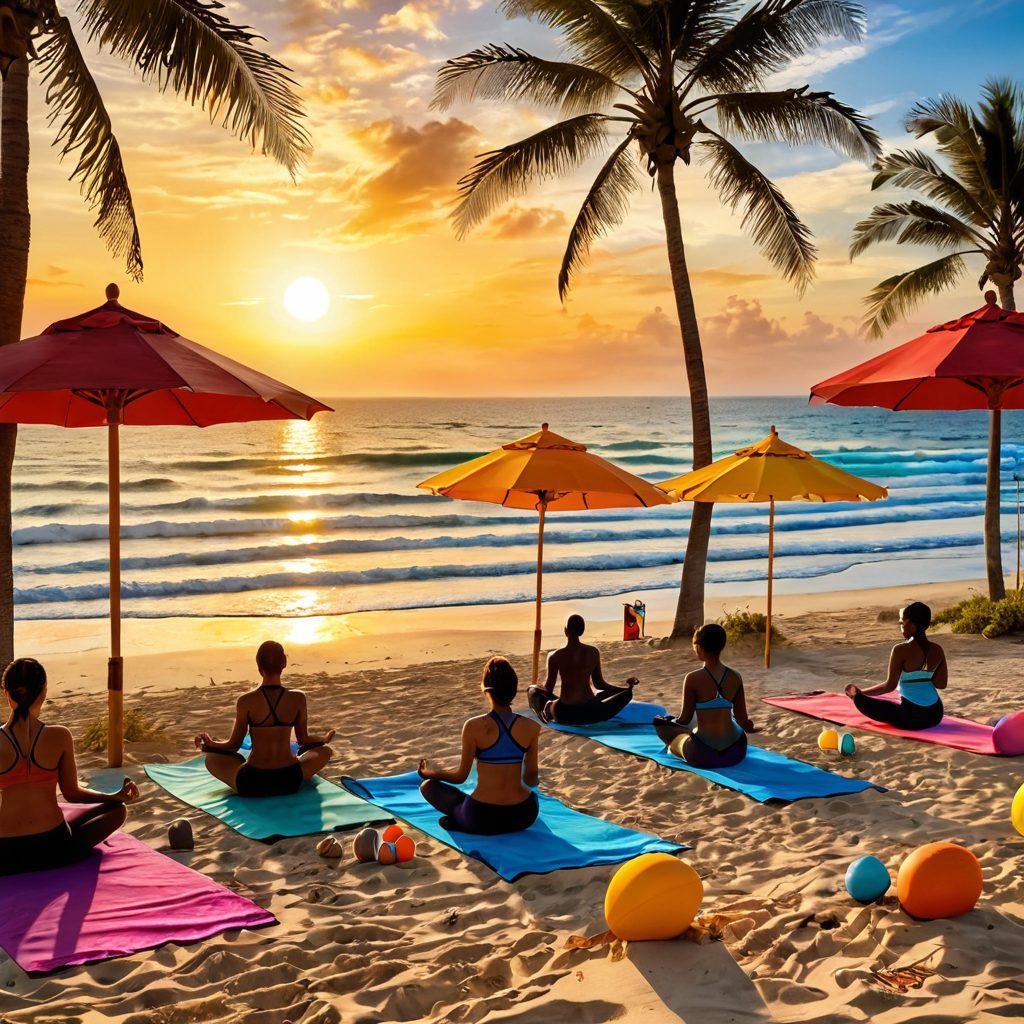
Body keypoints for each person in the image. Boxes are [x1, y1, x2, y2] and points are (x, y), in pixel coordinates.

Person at [0, 658, 139, 876]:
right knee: (117, 810)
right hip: (55, 846)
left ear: (6, 693)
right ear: (44, 693)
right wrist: (115, 797)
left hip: (6, 854)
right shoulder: (59, 736)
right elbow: (72, 794)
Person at [195, 641, 334, 797]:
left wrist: (211, 744)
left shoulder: (245, 701)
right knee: (325, 751)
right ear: (284, 663)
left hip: (252, 782)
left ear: (258, 666)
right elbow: (303, 740)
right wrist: (323, 739)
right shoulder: (298, 698)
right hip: (289, 780)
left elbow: (233, 746)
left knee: (211, 759)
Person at [419, 656, 540, 835]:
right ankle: (463, 818)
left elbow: (460, 777)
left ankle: (460, 820)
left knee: (428, 786)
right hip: (523, 814)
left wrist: (431, 773)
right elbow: (531, 778)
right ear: (514, 689)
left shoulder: (473, 726)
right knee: (531, 798)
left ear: (485, 689)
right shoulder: (532, 727)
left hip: (482, 815)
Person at [652, 623, 755, 768]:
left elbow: (685, 719)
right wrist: (749, 726)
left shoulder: (692, 678)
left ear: (699, 648)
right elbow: (742, 720)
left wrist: (668, 722)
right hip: (736, 751)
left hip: (703, 754)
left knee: (663, 727)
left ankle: (674, 741)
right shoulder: (735, 677)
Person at [844, 602, 946, 730]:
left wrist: (862, 693)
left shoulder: (900, 650)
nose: (901, 626)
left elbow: (889, 686)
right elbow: (941, 684)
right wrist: (923, 676)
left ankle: (856, 696)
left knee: (871, 705)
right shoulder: (938, 650)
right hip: (935, 715)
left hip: (911, 718)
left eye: (901, 622)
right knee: (895, 705)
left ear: (909, 623)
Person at [527, 614, 639, 725]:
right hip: (592, 711)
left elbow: (548, 690)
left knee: (532, 691)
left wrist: (535, 688)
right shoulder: (593, 652)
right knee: (622, 694)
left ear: (566, 631)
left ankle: (547, 708)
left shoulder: (555, 656)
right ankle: (625, 692)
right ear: (582, 631)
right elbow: (599, 684)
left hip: (565, 713)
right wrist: (623, 689)